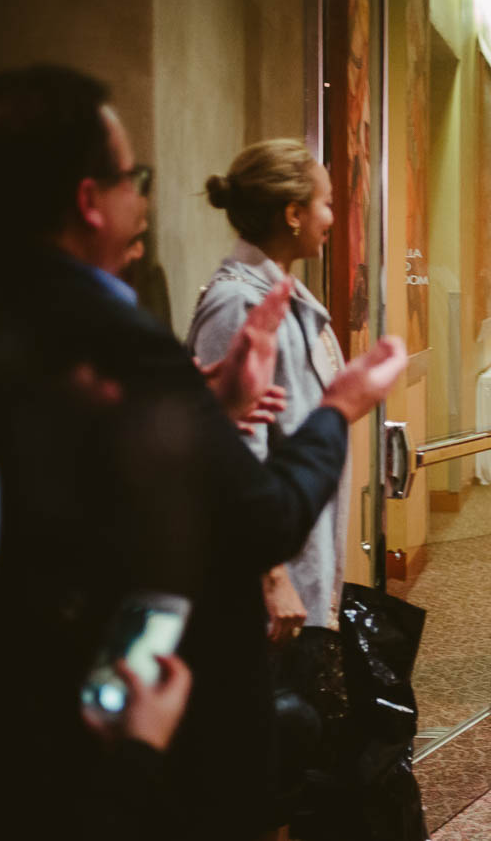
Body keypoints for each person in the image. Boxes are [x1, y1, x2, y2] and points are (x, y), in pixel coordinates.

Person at [0, 65, 406, 837]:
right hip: (123, 691)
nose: (146, 198)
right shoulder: (114, 333)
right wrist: (340, 409)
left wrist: (211, 409)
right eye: (136, 177)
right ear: (91, 200)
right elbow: (246, 511)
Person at [188, 139, 349, 643]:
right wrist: (272, 576)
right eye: (326, 203)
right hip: (272, 583)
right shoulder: (238, 305)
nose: (332, 217)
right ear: (293, 213)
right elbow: (231, 454)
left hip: (298, 543)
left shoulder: (285, 295)